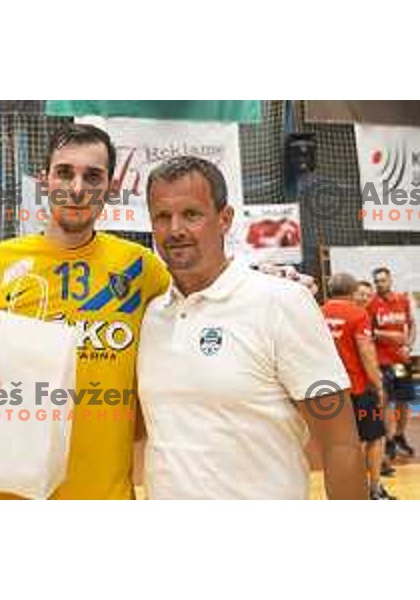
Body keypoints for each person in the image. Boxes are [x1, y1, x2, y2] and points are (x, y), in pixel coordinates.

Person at [0, 123, 170, 499]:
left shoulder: (142, 270)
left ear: (111, 187)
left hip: (98, 492)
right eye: (65, 172)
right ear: (44, 180)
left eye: (92, 176)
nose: (77, 188)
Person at [138, 156, 367, 499]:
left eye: (191, 214)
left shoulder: (283, 302)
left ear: (225, 219)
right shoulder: (152, 315)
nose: (175, 230)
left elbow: (341, 444)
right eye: (162, 217)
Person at [322, 273, 394, 499]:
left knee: (338, 445)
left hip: (328, 391)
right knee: (374, 437)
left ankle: (341, 491)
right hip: (357, 390)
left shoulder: (318, 313)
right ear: (353, 291)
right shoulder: (357, 313)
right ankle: (374, 489)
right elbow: (366, 352)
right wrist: (378, 384)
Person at [367, 267, 416, 459]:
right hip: (381, 362)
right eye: (377, 281)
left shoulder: (402, 300)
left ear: (390, 280)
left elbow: (412, 326)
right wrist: (390, 335)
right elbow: (369, 333)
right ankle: (388, 440)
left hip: (400, 362)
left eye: (383, 280)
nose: (380, 284)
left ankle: (399, 436)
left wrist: (408, 346)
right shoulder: (371, 304)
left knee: (403, 401)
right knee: (385, 403)